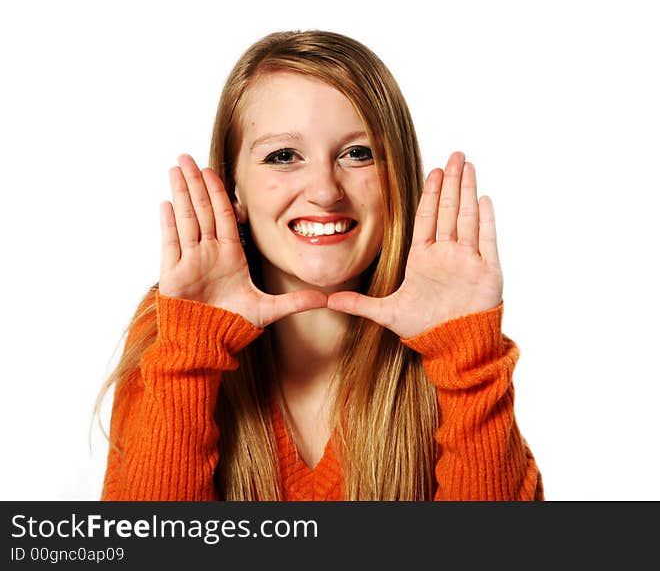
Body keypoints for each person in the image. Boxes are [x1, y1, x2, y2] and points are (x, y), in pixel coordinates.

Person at [96, 30, 543, 500]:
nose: (326, 191)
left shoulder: (456, 348)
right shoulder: (172, 335)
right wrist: (192, 351)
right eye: (283, 156)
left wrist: (466, 359)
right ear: (234, 190)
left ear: (398, 178)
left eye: (358, 154)